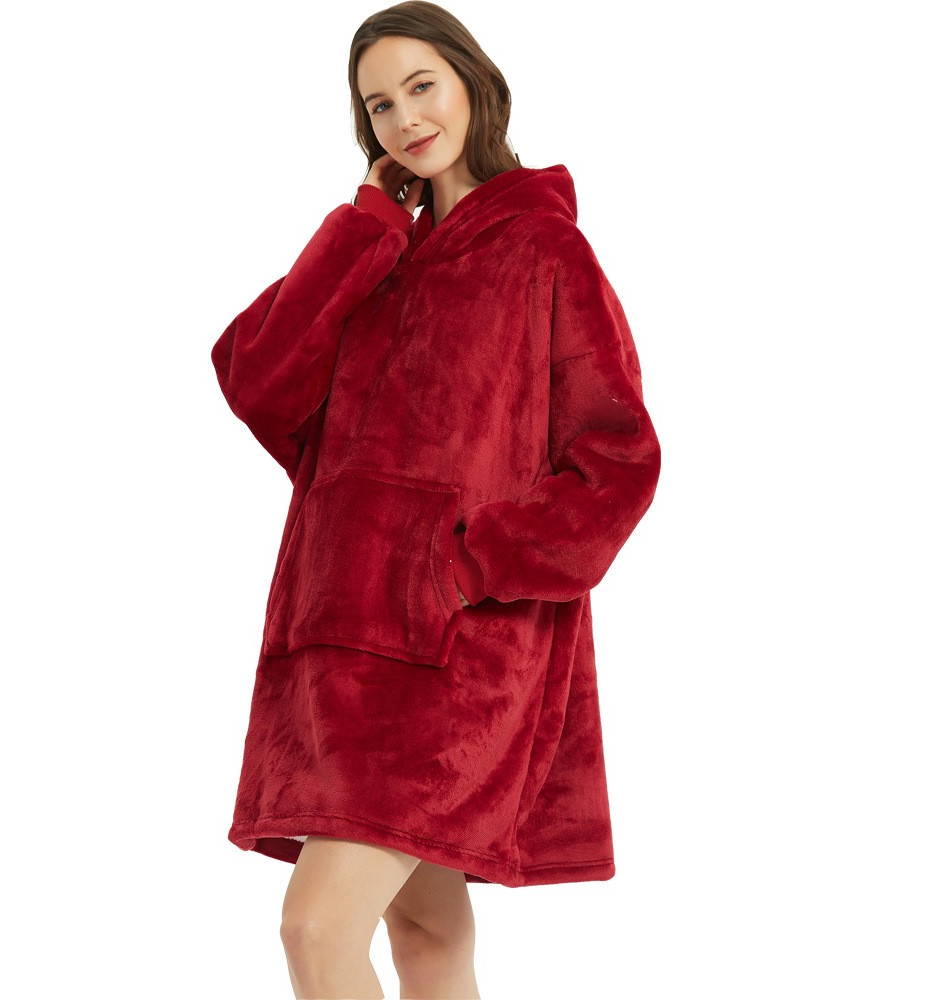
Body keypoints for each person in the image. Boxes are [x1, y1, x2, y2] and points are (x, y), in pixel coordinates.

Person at [210, 2, 662, 996]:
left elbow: (617, 461)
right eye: (380, 104)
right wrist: (364, 227)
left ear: (472, 84)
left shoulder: (544, 251)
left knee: (315, 930)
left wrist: (464, 562)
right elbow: (256, 378)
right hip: (336, 647)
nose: (406, 116)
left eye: (422, 85)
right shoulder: (375, 264)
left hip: (454, 657)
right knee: (427, 938)